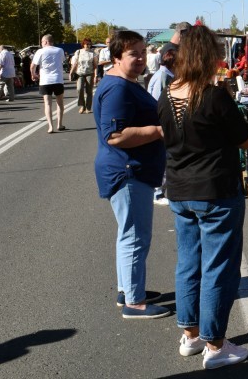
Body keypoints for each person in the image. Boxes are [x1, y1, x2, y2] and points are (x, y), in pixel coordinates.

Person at [157, 24, 248, 369]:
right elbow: (246, 139)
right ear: (208, 56)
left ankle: (191, 335)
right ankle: (215, 346)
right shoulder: (214, 96)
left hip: (181, 191)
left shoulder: (168, 92)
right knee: (218, 269)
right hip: (215, 191)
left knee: (188, 263)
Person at [93, 30, 169, 320]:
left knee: (128, 234)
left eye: (142, 51)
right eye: (132, 54)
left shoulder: (125, 82)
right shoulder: (118, 88)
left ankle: (128, 290)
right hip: (127, 171)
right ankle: (135, 303)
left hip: (129, 170)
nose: (140, 58)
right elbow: (115, 135)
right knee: (136, 236)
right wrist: (161, 131)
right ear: (116, 57)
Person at [147, 41, 178, 206]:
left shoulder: (165, 75)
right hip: (161, 124)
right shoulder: (163, 77)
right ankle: (158, 193)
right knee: (163, 159)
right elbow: (159, 103)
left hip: (161, 124)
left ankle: (160, 191)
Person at [31, 34, 66, 133]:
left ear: (46, 42)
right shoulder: (60, 50)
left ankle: (50, 126)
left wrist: (33, 75)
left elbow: (33, 66)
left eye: (42, 42)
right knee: (60, 103)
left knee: (47, 104)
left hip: (45, 81)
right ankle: (60, 124)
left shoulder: (40, 51)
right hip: (58, 80)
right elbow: (62, 61)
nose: (41, 44)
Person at [69, 38, 97, 114]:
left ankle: (88, 108)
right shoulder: (78, 52)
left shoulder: (93, 53)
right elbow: (75, 63)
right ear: (83, 44)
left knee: (89, 92)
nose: (88, 45)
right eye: (86, 44)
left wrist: (95, 76)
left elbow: (95, 66)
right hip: (80, 73)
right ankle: (82, 105)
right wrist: (71, 73)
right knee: (79, 89)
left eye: (89, 44)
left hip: (89, 73)